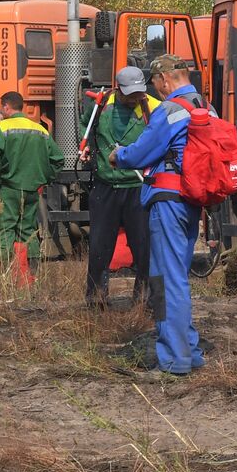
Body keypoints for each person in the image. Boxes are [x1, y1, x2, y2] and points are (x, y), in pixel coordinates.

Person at [113, 55, 208, 376]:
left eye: (155, 83)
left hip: (167, 200)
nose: (155, 90)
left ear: (165, 79)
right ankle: (190, 351)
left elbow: (142, 151)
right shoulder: (205, 106)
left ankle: (173, 359)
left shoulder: (169, 110)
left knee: (165, 281)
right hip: (191, 201)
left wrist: (119, 155)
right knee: (178, 277)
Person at [84, 66, 155, 308]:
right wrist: (88, 152)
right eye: (130, 93)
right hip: (106, 187)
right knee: (99, 248)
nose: (135, 97)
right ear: (118, 88)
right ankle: (96, 300)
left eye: (139, 92)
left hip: (138, 187)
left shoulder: (151, 107)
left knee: (144, 247)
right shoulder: (100, 106)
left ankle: (143, 301)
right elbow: (87, 129)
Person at [0, 91, 62, 279]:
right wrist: (45, 177)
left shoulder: (2, 128)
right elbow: (58, 159)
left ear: (6, 107)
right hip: (32, 189)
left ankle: (2, 277)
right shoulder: (40, 129)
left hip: (8, 188)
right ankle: (31, 274)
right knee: (27, 230)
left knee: (5, 229)